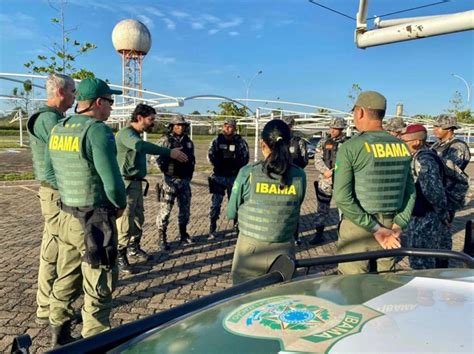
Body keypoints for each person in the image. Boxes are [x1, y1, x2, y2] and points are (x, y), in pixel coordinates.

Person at [47, 78, 126, 346]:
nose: (112, 108)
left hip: (66, 216)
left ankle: (59, 337)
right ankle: (95, 340)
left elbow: (50, 172)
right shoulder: (97, 131)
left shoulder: (59, 128)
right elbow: (113, 182)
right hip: (94, 222)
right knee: (99, 285)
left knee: (66, 276)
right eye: (111, 102)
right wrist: (119, 205)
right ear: (99, 102)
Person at [334, 91, 416, 275]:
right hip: (391, 227)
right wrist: (398, 225)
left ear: (361, 112)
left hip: (357, 228)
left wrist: (375, 229)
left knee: (351, 290)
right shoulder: (401, 146)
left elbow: (342, 197)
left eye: (354, 112)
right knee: (385, 290)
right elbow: (410, 191)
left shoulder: (351, 147)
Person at [227, 119, 306, 284]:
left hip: (250, 251)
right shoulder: (299, 175)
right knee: (278, 301)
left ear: (262, 143)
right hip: (284, 251)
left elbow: (231, 212)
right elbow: (296, 205)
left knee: (243, 299)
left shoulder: (248, 173)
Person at [115, 104, 188, 274]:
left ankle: (134, 248)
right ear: (139, 118)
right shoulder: (127, 134)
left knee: (138, 218)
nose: (153, 123)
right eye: (151, 119)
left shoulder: (135, 135)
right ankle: (120, 256)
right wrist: (168, 152)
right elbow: (140, 147)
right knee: (125, 221)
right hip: (126, 184)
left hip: (136, 184)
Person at [27, 74, 76, 325]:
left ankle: (47, 304)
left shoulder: (55, 118)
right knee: (55, 250)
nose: (74, 97)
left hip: (58, 191)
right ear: (60, 92)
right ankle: (47, 306)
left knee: (53, 248)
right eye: (72, 92)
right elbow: (67, 149)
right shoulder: (48, 119)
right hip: (55, 193)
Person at [400, 124, 450, 269]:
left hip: (425, 217)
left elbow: (434, 191)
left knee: (421, 262)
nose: (402, 144)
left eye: (405, 141)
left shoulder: (425, 160)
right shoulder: (417, 157)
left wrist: (443, 215)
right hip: (420, 215)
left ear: (416, 142)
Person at [431, 114, 471, 265]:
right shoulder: (436, 145)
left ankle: (441, 265)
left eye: (437, 126)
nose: (434, 129)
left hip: (447, 196)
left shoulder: (458, 147)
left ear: (448, 128)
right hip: (435, 194)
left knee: (442, 235)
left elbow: (450, 171)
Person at [155, 115, 196, 251]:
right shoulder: (165, 140)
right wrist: (163, 169)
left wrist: (189, 175)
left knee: (185, 210)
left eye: (182, 125)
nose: (180, 128)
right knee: (165, 211)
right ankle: (162, 237)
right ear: (172, 126)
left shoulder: (188, 142)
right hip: (169, 181)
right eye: (177, 125)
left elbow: (192, 159)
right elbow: (153, 158)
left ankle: (183, 233)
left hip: (184, 181)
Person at [207, 118, 249, 239]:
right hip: (219, 177)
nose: (227, 128)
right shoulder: (216, 141)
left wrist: (236, 167)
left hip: (234, 177)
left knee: (236, 202)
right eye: (225, 126)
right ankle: (212, 227)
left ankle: (236, 226)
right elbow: (210, 156)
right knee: (215, 204)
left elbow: (245, 158)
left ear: (235, 128)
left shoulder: (240, 142)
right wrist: (219, 164)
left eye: (230, 127)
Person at [311, 117, 349, 245]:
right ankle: (319, 234)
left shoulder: (349, 143)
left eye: (335, 128)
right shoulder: (323, 142)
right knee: (322, 208)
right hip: (325, 181)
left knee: (343, 210)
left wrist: (337, 172)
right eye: (331, 128)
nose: (332, 130)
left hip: (342, 181)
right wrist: (325, 171)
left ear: (341, 129)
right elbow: (317, 158)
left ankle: (343, 236)